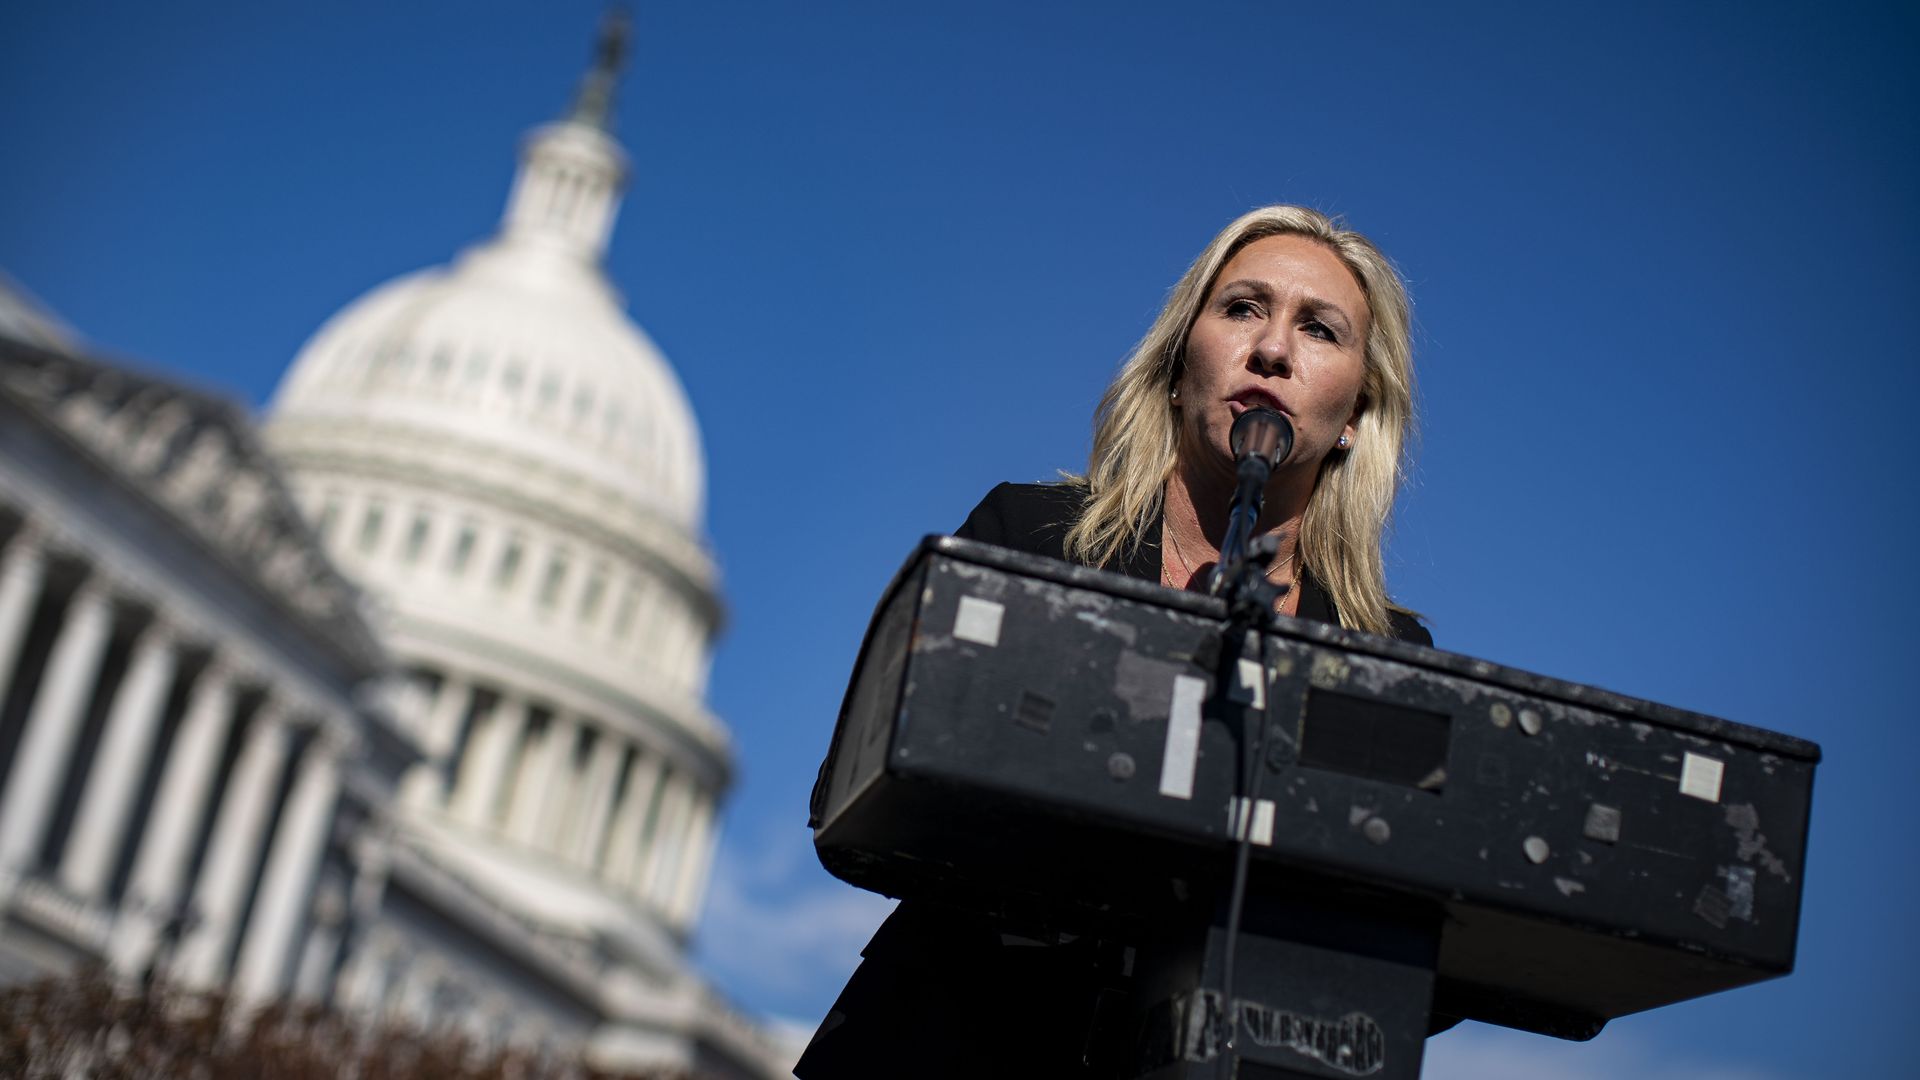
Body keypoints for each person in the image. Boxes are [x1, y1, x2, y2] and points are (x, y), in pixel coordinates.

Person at [797, 205, 1430, 1078]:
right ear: (1179, 365)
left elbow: (1408, 945)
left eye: (1319, 329)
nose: (1274, 349)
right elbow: (852, 796)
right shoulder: (1028, 536)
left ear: (1356, 412)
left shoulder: (1387, 655)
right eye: (1243, 308)